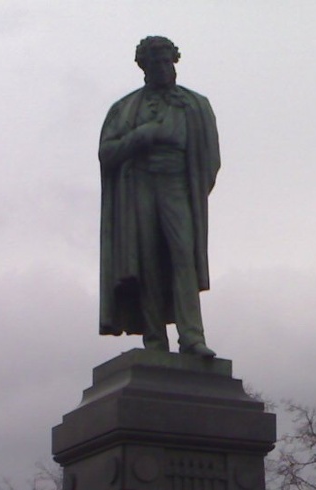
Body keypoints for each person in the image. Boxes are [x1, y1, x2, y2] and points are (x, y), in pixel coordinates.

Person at [99, 35, 220, 358]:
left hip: (177, 185)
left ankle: (191, 336)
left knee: (182, 258)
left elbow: (210, 160)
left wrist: (191, 191)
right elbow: (106, 153)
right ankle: (154, 340)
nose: (164, 68)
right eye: (156, 62)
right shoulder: (125, 108)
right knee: (148, 260)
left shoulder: (195, 105)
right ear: (144, 66)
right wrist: (141, 136)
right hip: (138, 187)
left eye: (168, 61)